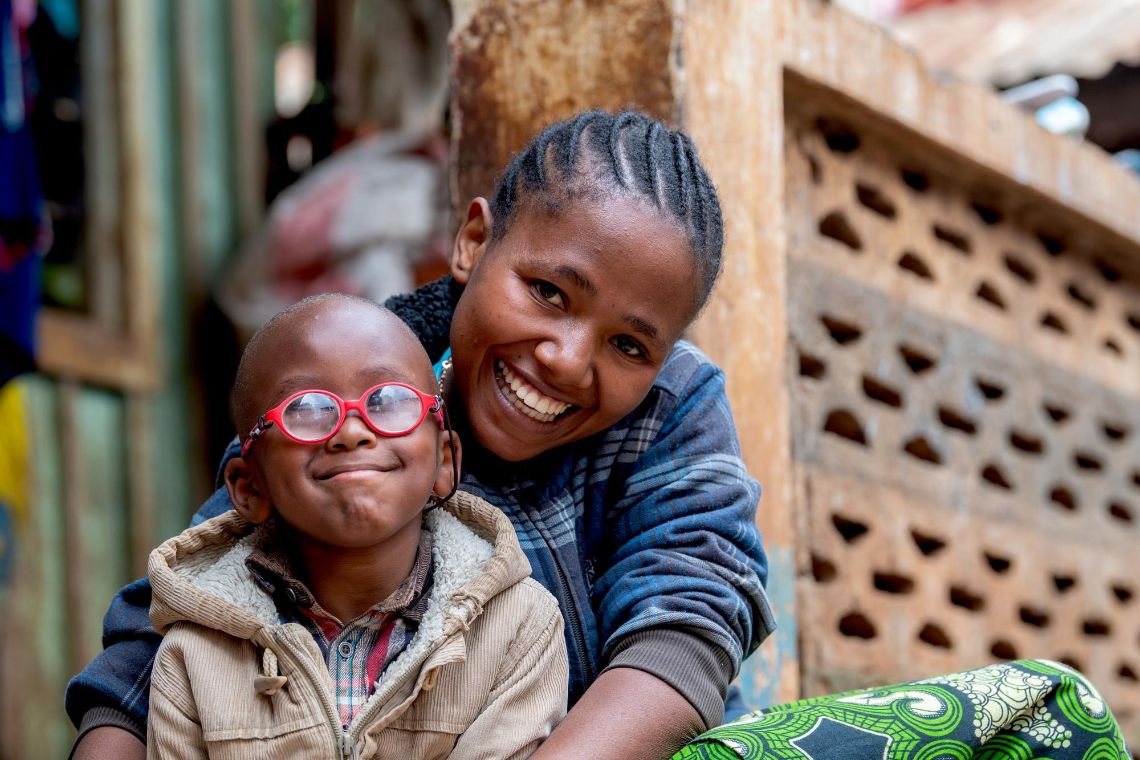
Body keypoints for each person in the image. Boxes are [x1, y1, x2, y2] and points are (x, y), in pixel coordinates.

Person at [67, 110, 1130, 760]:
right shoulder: (366, 381)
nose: (570, 360)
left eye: (629, 342)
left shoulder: (674, 413)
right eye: (547, 292)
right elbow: (177, 609)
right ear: (473, 242)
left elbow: (689, 626)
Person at [145, 294, 567, 758]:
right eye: (306, 408)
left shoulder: (518, 625)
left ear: (445, 462)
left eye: (389, 401)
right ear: (250, 487)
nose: (352, 431)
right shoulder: (194, 653)